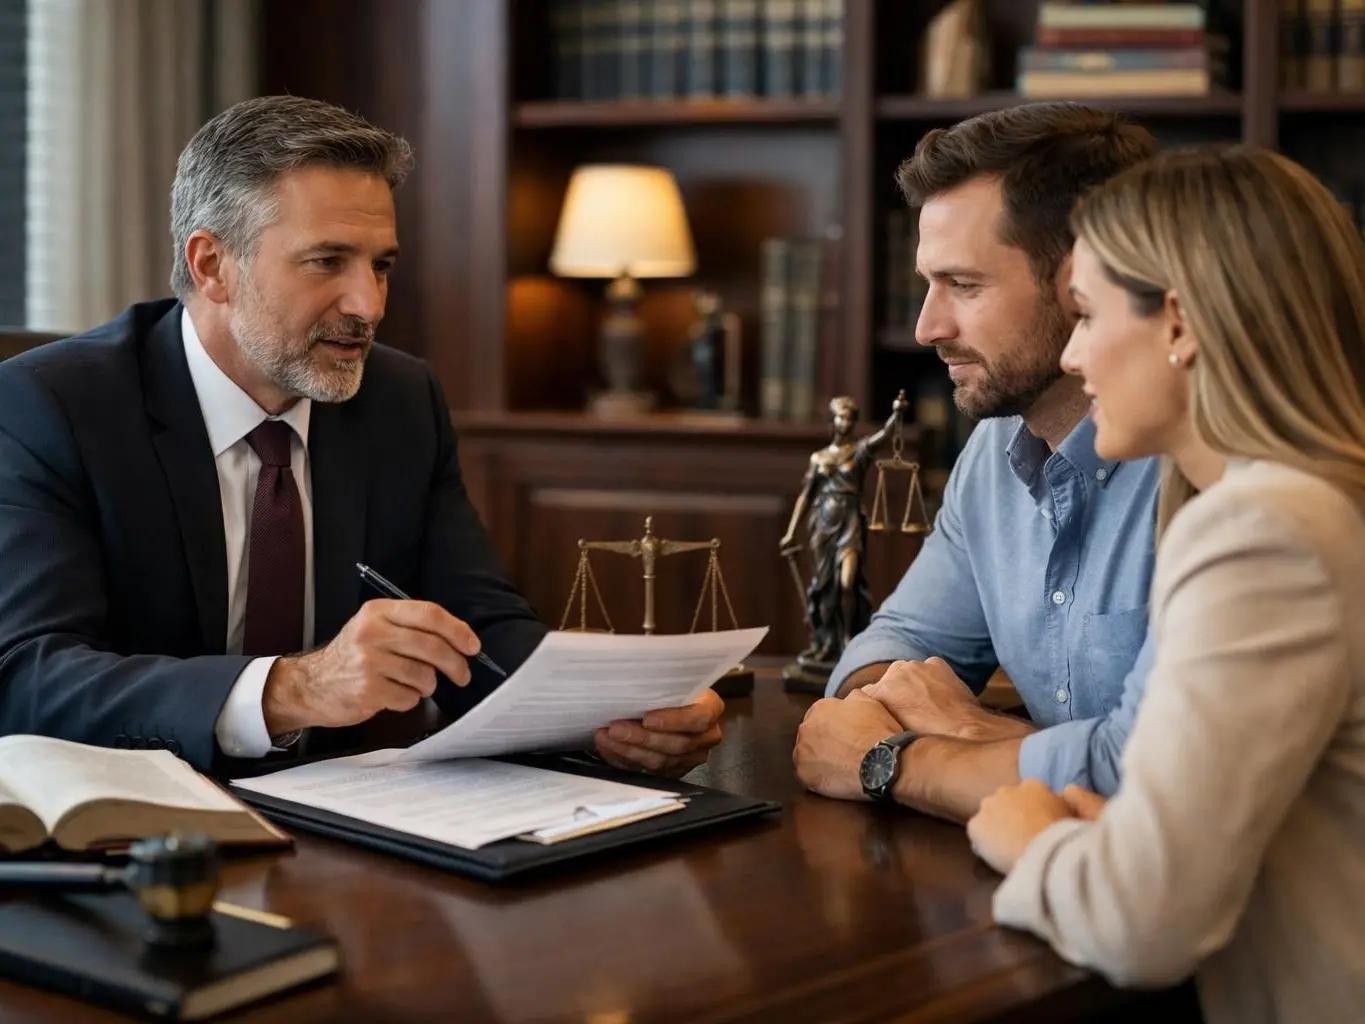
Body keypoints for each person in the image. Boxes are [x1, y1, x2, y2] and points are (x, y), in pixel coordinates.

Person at [0, 95, 723, 779]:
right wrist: (293, 688)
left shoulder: (400, 399)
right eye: (327, 262)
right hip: (136, 833)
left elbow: (478, 628)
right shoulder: (51, 406)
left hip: (350, 819)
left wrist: (609, 717)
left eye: (380, 266)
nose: (367, 305)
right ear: (211, 265)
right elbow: (29, 675)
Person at [966, 145, 1365, 1023]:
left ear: (1178, 323)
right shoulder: (1302, 508)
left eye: (1084, 314)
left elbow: (1140, 925)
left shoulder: (1261, 534)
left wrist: (1030, 841)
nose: (1071, 357)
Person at [793, 103, 1160, 821]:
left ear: (1085, 278)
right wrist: (985, 746)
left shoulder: (1210, 467)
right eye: (928, 284)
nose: (929, 327)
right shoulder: (995, 449)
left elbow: (1160, 777)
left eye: (964, 286)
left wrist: (934, 748)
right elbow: (896, 646)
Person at [778, 393, 907, 678]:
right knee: (824, 587)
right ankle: (825, 643)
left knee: (847, 582)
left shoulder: (859, 452)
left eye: (850, 417)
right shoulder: (819, 457)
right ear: (833, 420)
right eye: (841, 416)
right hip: (822, 524)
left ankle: (849, 638)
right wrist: (790, 532)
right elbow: (805, 496)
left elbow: (884, 436)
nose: (845, 422)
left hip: (849, 523)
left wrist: (896, 414)